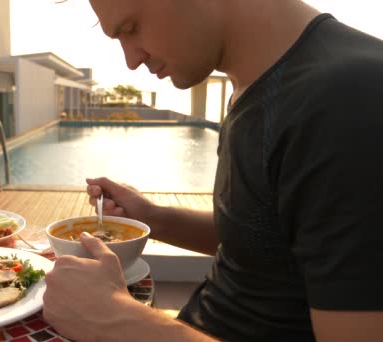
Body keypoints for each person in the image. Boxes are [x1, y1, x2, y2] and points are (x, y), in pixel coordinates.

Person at [42, 0, 383, 341]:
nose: (131, 60)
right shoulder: (257, 88)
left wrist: (116, 319)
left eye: (131, 28)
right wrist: (152, 217)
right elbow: (267, 242)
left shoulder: (351, 98)